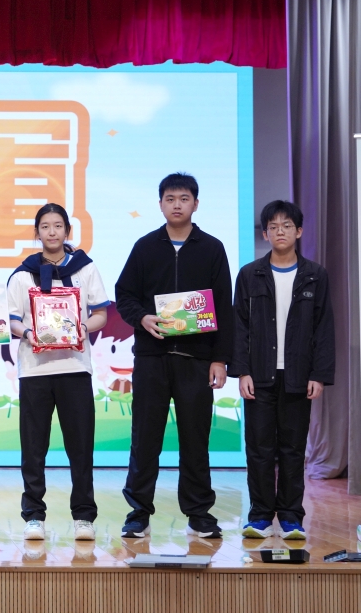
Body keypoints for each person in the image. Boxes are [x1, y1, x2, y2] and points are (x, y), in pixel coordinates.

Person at [115, 172, 234, 539]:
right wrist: (142, 317)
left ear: (196, 204)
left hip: (196, 360)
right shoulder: (145, 247)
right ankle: (139, 511)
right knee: (145, 438)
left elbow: (224, 308)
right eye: (170, 199)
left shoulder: (212, 248)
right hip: (152, 358)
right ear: (160, 204)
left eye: (184, 198)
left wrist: (220, 359)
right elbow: (124, 294)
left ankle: (199, 513)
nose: (177, 205)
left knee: (195, 439)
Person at [231, 200, 334, 540]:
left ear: (298, 231)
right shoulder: (250, 274)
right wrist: (242, 371)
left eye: (287, 226)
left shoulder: (315, 274)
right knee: (259, 448)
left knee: (292, 449)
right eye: (273, 226)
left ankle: (291, 516)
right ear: (265, 234)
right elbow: (239, 326)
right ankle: (260, 515)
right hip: (259, 375)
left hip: (298, 376)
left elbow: (323, 327)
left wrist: (318, 375)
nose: (280, 231)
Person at [7, 203, 110, 542]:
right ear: (37, 232)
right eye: (45, 226)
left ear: (67, 230)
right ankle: (34, 515)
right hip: (34, 371)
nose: (51, 232)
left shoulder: (85, 268)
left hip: (75, 367)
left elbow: (101, 314)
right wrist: (28, 333)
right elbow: (12, 319)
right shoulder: (22, 275)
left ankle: (84, 516)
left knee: (80, 447)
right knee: (33, 448)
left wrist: (81, 327)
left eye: (57, 226)